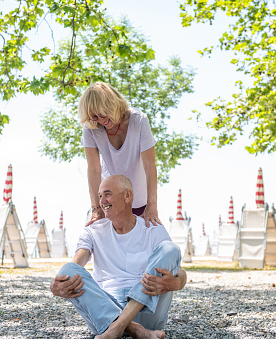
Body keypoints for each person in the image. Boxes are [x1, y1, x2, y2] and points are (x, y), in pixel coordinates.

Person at [50, 175, 187, 338]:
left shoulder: (152, 228)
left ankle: (119, 327)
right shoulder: (93, 230)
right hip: (105, 312)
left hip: (148, 312)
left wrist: (177, 283)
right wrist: (56, 287)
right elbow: (76, 265)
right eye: (100, 196)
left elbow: (179, 270)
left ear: (127, 196)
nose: (102, 201)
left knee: (170, 249)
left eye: (107, 194)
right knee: (67, 269)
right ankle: (135, 330)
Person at [79, 82, 161, 227]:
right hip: (110, 203)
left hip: (140, 202)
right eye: (95, 117)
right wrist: (96, 209)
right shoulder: (91, 128)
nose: (101, 121)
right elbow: (93, 170)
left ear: (111, 104)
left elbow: (150, 166)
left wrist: (152, 206)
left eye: (103, 114)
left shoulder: (139, 120)